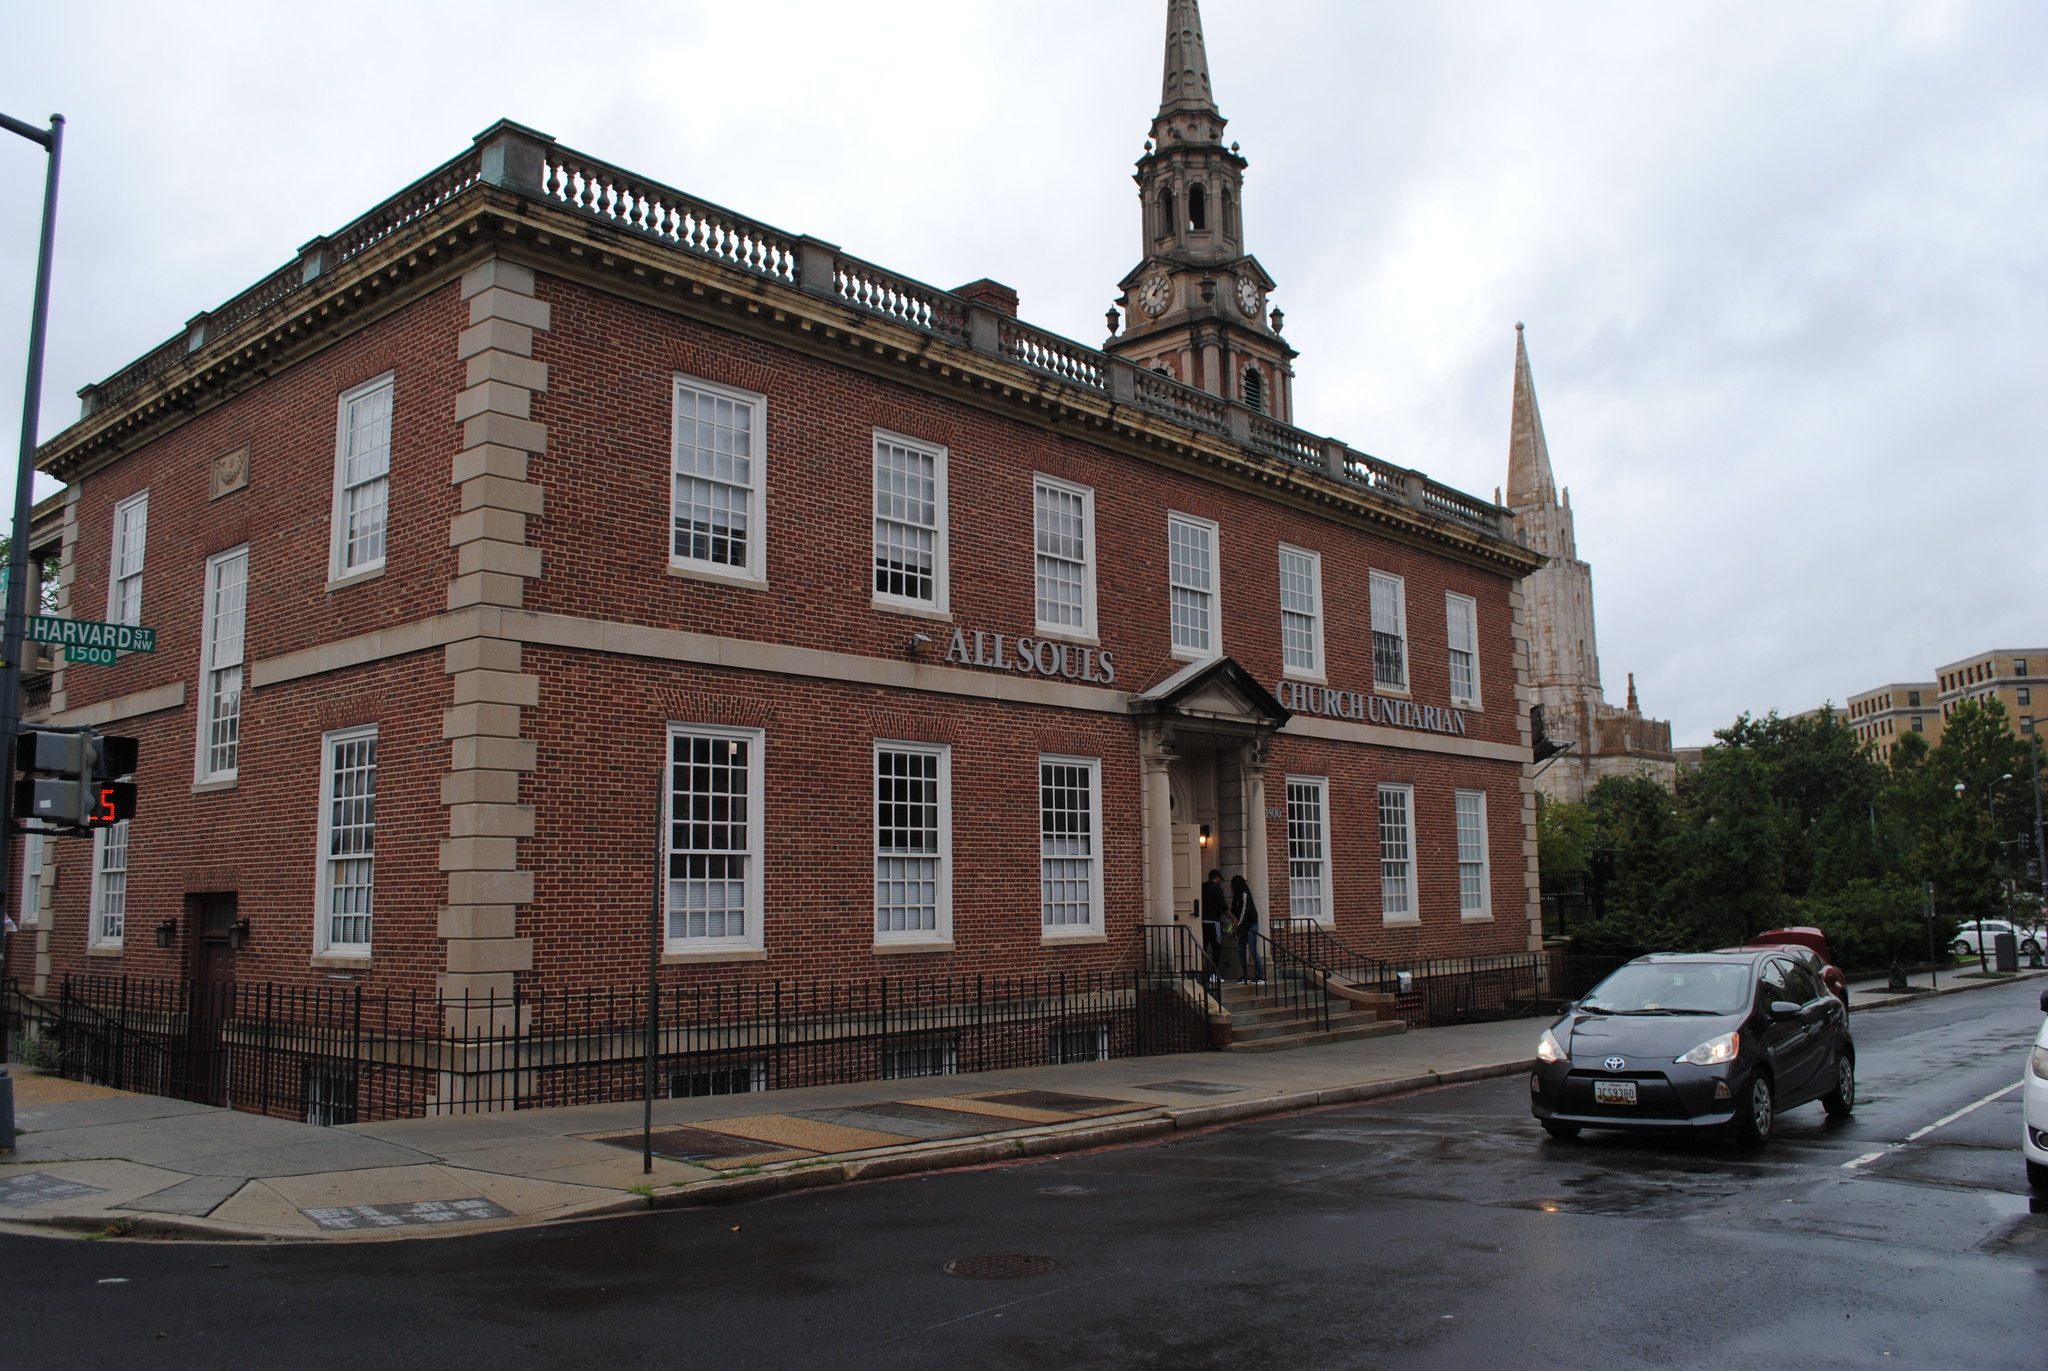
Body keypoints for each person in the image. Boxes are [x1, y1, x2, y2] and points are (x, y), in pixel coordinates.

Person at [1231, 874, 1264, 983]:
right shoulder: (1236, 896)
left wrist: (1238, 925)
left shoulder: (1245, 895)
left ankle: (1261, 975)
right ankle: (1245, 975)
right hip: (1243, 927)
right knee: (1241, 950)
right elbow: (1235, 911)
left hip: (1251, 925)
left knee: (1253, 950)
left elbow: (1244, 911)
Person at [1200, 869, 1229, 980]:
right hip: (1213, 921)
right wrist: (1232, 917)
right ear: (1217, 878)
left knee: (1203, 947)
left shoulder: (1202, 887)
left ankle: (1200, 971)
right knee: (1217, 948)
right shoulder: (1217, 888)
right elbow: (1221, 905)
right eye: (1220, 879)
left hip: (1202, 921)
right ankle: (1214, 974)